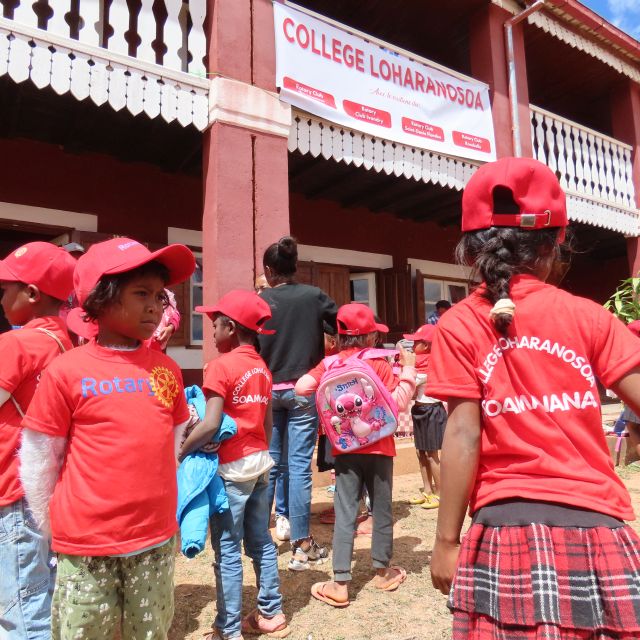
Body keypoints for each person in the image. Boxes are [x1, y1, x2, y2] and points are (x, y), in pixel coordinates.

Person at [427, 156, 640, 639]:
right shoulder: (588, 316)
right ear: (557, 241)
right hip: (597, 531)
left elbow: (462, 434)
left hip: (503, 532)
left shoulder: (458, 324)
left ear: (471, 249)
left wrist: (445, 541)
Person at [19, 237, 195, 640]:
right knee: (84, 631)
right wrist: (52, 525)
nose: (155, 306)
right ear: (100, 299)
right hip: (87, 543)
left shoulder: (166, 370)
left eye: (159, 296)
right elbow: (41, 456)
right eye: (141, 294)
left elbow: (170, 446)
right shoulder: (67, 371)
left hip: (153, 537)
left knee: (148, 631)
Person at [180, 289, 290, 640]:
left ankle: (228, 629)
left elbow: (211, 423)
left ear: (229, 327)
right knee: (261, 542)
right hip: (260, 464)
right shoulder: (262, 368)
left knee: (228, 550)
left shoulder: (221, 366)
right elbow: (267, 424)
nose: (212, 332)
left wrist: (181, 451)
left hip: (230, 471)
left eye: (214, 325)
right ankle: (271, 613)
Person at [295, 303, 416, 607]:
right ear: (371, 337)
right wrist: (409, 370)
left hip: (345, 449)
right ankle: (383, 572)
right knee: (382, 509)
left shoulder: (330, 363)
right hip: (380, 447)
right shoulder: (379, 364)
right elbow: (399, 403)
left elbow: (301, 387)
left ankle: (339, 582)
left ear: (339, 335)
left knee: (346, 510)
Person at [0, 242, 75, 639]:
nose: (1, 298)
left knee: (20, 608)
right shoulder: (68, 345)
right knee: (42, 592)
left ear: (31, 293)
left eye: (5, 288)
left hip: (11, 488)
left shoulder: (14, 345)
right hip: (46, 488)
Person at [259, 236, 338, 571]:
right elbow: (338, 326)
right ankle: (302, 543)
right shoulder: (313, 296)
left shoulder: (260, 301)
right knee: (298, 467)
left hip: (267, 391)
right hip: (304, 389)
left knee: (269, 465)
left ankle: (260, 537)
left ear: (268, 271)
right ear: (295, 267)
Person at [404, 324, 447, 510]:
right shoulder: (418, 363)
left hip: (432, 411)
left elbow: (412, 381)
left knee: (431, 455)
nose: (413, 346)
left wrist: (406, 367)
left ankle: (440, 493)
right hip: (420, 410)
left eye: (416, 343)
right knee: (420, 452)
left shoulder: (430, 363)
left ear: (427, 345)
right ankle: (427, 491)